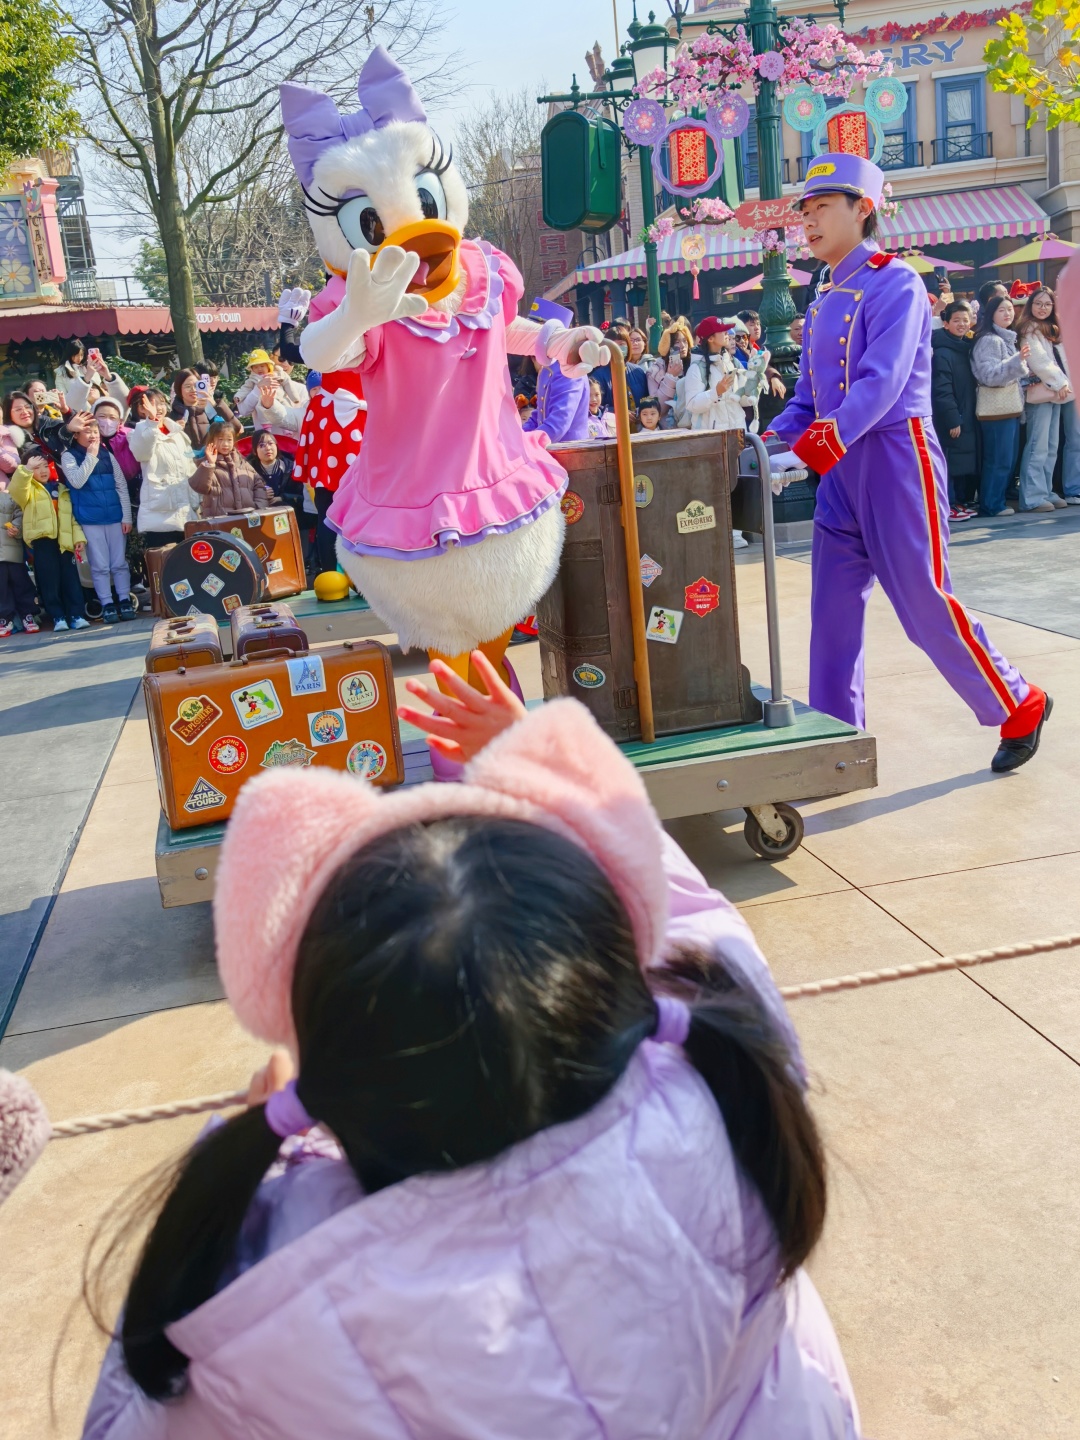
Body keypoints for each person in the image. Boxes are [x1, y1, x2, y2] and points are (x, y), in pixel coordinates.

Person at [81, 659, 860, 1439]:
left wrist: (262, 1155)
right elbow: (702, 931)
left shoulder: (252, 1299)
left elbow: (133, 1412)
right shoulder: (727, 1096)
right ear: (620, 986)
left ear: (336, 1086)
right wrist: (548, 769)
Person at [770, 152, 1049, 773]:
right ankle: (835, 741)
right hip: (841, 470)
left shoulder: (894, 281)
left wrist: (808, 448)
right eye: (805, 212)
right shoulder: (821, 296)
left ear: (862, 209)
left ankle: (1019, 701)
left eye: (822, 209)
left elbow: (881, 383)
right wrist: (761, 444)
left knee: (924, 602)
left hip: (896, 458)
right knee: (832, 614)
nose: (809, 222)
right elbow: (808, 400)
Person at [59, 410, 134, 623]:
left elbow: (120, 485)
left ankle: (124, 598)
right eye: (87, 431)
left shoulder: (107, 455)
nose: (93, 435)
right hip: (90, 520)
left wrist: (126, 516)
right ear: (76, 435)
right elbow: (76, 481)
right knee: (99, 565)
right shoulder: (69, 456)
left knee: (119, 563)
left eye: (95, 431)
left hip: (115, 517)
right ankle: (107, 603)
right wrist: (91, 456)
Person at [9, 446, 88, 630]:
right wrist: (26, 470)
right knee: (49, 580)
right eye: (36, 467)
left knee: (71, 580)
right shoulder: (28, 491)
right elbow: (16, 489)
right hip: (43, 541)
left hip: (64, 541)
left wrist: (78, 538)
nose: (42, 471)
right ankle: (58, 617)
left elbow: (71, 518)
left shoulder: (61, 489)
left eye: (44, 465)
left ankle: (76, 615)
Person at [971, 293, 1029, 518]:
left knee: (1007, 458)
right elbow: (988, 375)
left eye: (1010, 309)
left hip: (1009, 407)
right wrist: (1017, 362)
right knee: (998, 459)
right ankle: (991, 504)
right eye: (1001, 310)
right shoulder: (989, 339)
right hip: (996, 410)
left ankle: (997, 501)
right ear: (991, 314)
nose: (1008, 313)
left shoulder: (1005, 338)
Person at [1015, 286, 1071, 512]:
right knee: (1037, 445)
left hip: (1056, 392)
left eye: (1047, 304)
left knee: (1051, 446)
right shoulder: (1028, 328)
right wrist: (1061, 382)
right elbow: (1039, 361)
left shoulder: (1051, 329)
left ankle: (1046, 490)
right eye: (1038, 303)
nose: (1042, 308)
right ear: (1030, 305)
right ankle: (1032, 497)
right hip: (1041, 392)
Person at [129, 389, 199, 545]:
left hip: (187, 514)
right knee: (164, 564)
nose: (158, 408)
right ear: (141, 408)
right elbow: (142, 453)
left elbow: (190, 468)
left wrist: (196, 501)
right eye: (152, 403)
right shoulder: (138, 432)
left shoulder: (178, 433)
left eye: (161, 403)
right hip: (160, 516)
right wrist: (152, 420)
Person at [930, 300, 979, 521]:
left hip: (963, 413)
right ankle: (946, 505)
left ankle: (957, 502)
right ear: (946, 322)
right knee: (947, 463)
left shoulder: (963, 346)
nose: (961, 324)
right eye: (956, 320)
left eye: (965, 320)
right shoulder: (942, 351)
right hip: (950, 418)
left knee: (960, 462)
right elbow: (942, 390)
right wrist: (953, 419)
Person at [521, 298, 590, 443]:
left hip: (569, 454)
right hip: (550, 448)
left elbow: (557, 424)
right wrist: (519, 436)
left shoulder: (569, 370)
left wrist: (526, 444)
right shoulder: (548, 367)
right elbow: (540, 414)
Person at [190, 419, 271, 517]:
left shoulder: (243, 463)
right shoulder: (206, 465)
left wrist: (258, 508)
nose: (225, 444)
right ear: (212, 441)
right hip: (219, 522)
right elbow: (199, 487)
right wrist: (210, 463)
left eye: (229, 440)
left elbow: (259, 486)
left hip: (248, 520)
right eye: (220, 439)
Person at [0, 465, 38, 637]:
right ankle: (4, 618)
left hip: (13, 551)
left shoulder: (8, 498)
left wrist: (16, 528)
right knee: (2, 589)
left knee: (21, 583)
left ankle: (28, 614)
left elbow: (19, 513)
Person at [170, 368, 243, 453]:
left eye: (196, 385)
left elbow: (237, 428)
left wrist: (215, 405)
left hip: (215, 462)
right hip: (187, 463)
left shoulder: (209, 411)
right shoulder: (173, 416)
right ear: (179, 389)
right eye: (188, 386)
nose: (193, 390)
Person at [249, 428, 302, 520]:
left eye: (270, 443)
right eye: (261, 445)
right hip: (261, 518)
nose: (268, 448)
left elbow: (303, 497)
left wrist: (283, 498)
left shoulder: (292, 468)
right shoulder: (248, 472)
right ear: (254, 451)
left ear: (277, 446)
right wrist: (259, 494)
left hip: (293, 517)